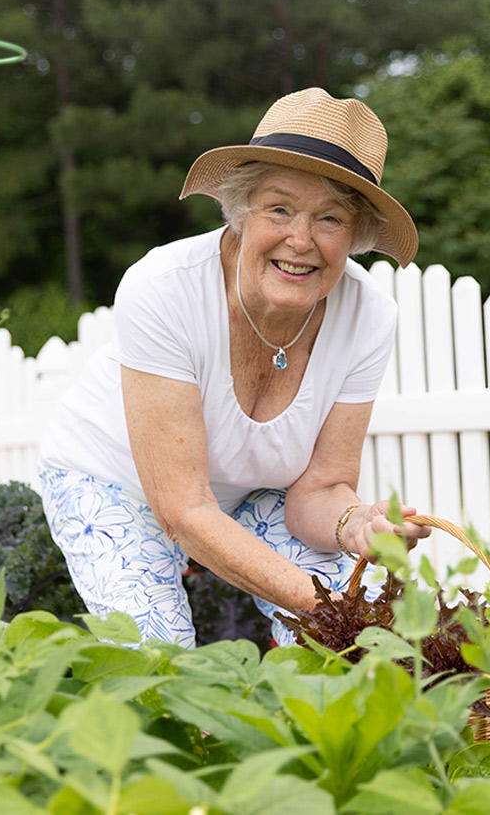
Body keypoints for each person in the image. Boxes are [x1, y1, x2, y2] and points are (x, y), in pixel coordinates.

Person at [37, 87, 430, 646]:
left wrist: (356, 524)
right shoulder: (163, 288)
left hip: (248, 492)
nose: (301, 240)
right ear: (241, 208)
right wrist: (323, 608)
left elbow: (321, 487)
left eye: (330, 218)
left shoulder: (369, 315)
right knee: (159, 659)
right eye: (279, 208)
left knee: (358, 648)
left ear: (357, 233)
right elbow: (185, 510)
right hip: (112, 479)